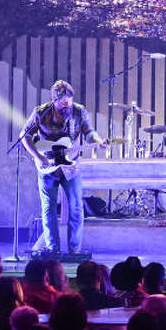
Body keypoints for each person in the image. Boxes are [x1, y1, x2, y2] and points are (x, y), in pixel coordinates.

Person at [20, 79, 107, 256]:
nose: (67, 106)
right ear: (55, 101)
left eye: (70, 102)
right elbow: (24, 135)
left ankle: (75, 250)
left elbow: (89, 132)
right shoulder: (41, 112)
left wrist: (98, 141)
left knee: (76, 207)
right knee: (48, 208)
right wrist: (38, 156)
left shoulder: (79, 111)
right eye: (63, 103)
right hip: (47, 167)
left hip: (70, 166)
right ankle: (53, 249)